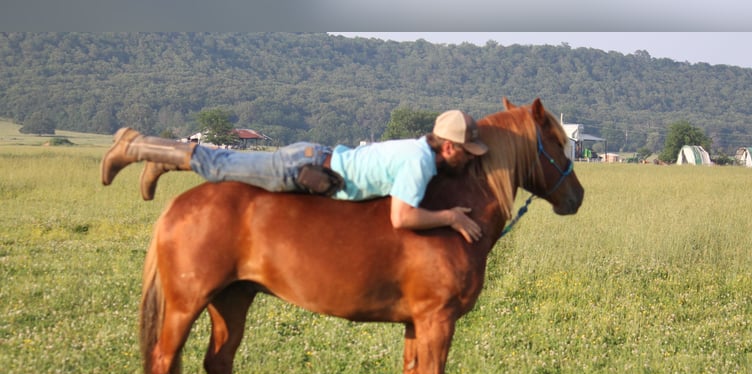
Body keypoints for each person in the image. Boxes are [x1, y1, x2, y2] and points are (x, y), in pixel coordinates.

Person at [101, 110, 489, 242]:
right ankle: (133, 146)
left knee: (223, 164)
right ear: (450, 147)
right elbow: (402, 217)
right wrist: (450, 217)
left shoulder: (418, 149)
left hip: (313, 163)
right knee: (221, 166)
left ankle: (164, 160)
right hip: (303, 170)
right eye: (467, 153)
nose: (469, 160)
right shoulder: (420, 162)